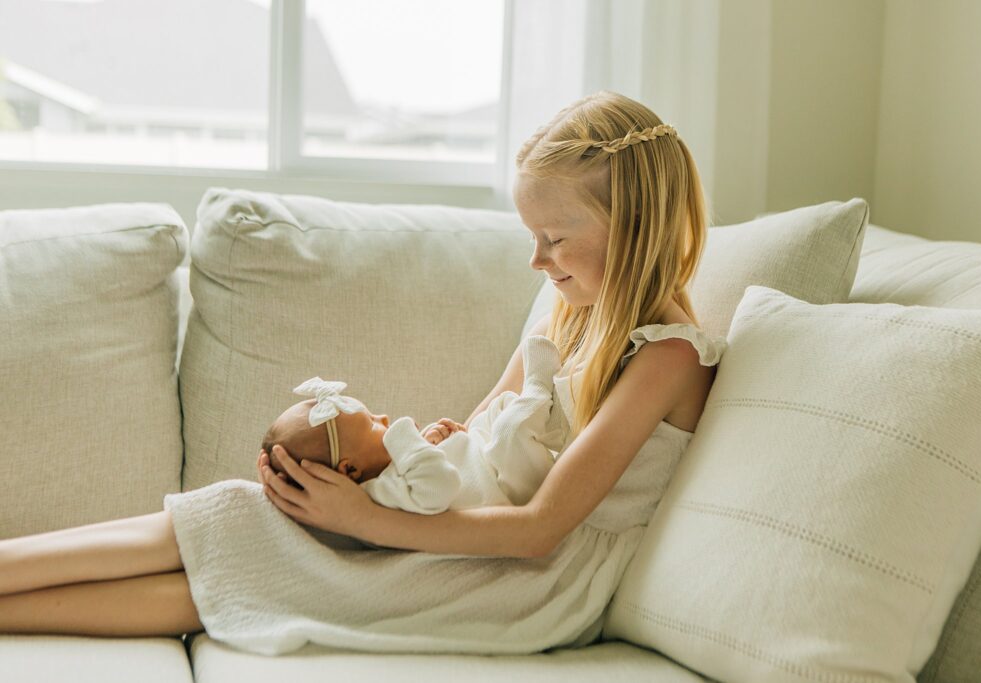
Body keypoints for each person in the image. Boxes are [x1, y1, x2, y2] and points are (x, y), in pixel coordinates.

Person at [0, 90, 728, 654]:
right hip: (475, 533)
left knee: (251, 571)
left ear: (632, 227)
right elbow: (483, 423)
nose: (536, 260)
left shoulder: (669, 357)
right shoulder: (569, 312)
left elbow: (540, 530)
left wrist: (367, 520)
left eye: (554, 239)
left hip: (532, 581)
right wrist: (422, 458)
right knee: (238, 512)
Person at [262, 333, 564, 515]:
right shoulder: (380, 495)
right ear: (349, 470)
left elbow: (436, 464)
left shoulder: (397, 468)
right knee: (510, 430)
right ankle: (537, 389)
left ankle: (553, 426)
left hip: (489, 461)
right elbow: (440, 485)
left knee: (497, 412)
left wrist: (438, 440)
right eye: (372, 425)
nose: (384, 419)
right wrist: (407, 438)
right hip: (511, 489)